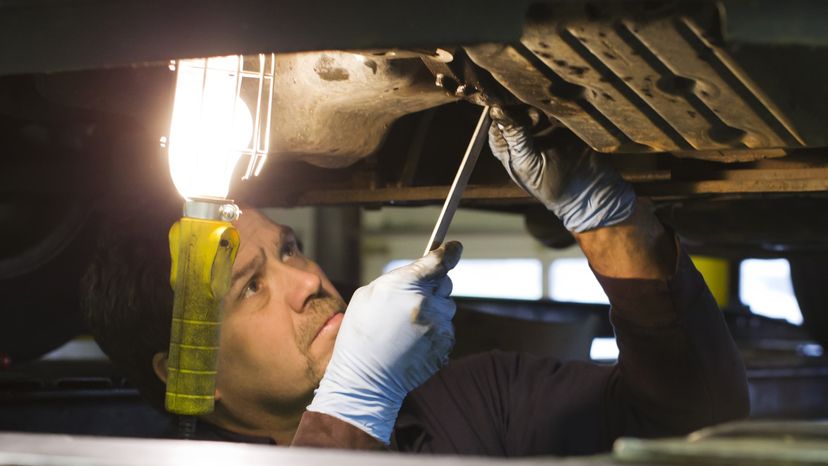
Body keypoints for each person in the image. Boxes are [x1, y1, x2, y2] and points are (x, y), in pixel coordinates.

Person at [83, 107, 749, 455]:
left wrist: (606, 221)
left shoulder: (472, 401)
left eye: (289, 249)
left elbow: (694, 429)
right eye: (251, 286)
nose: (307, 280)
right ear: (186, 369)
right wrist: (354, 406)